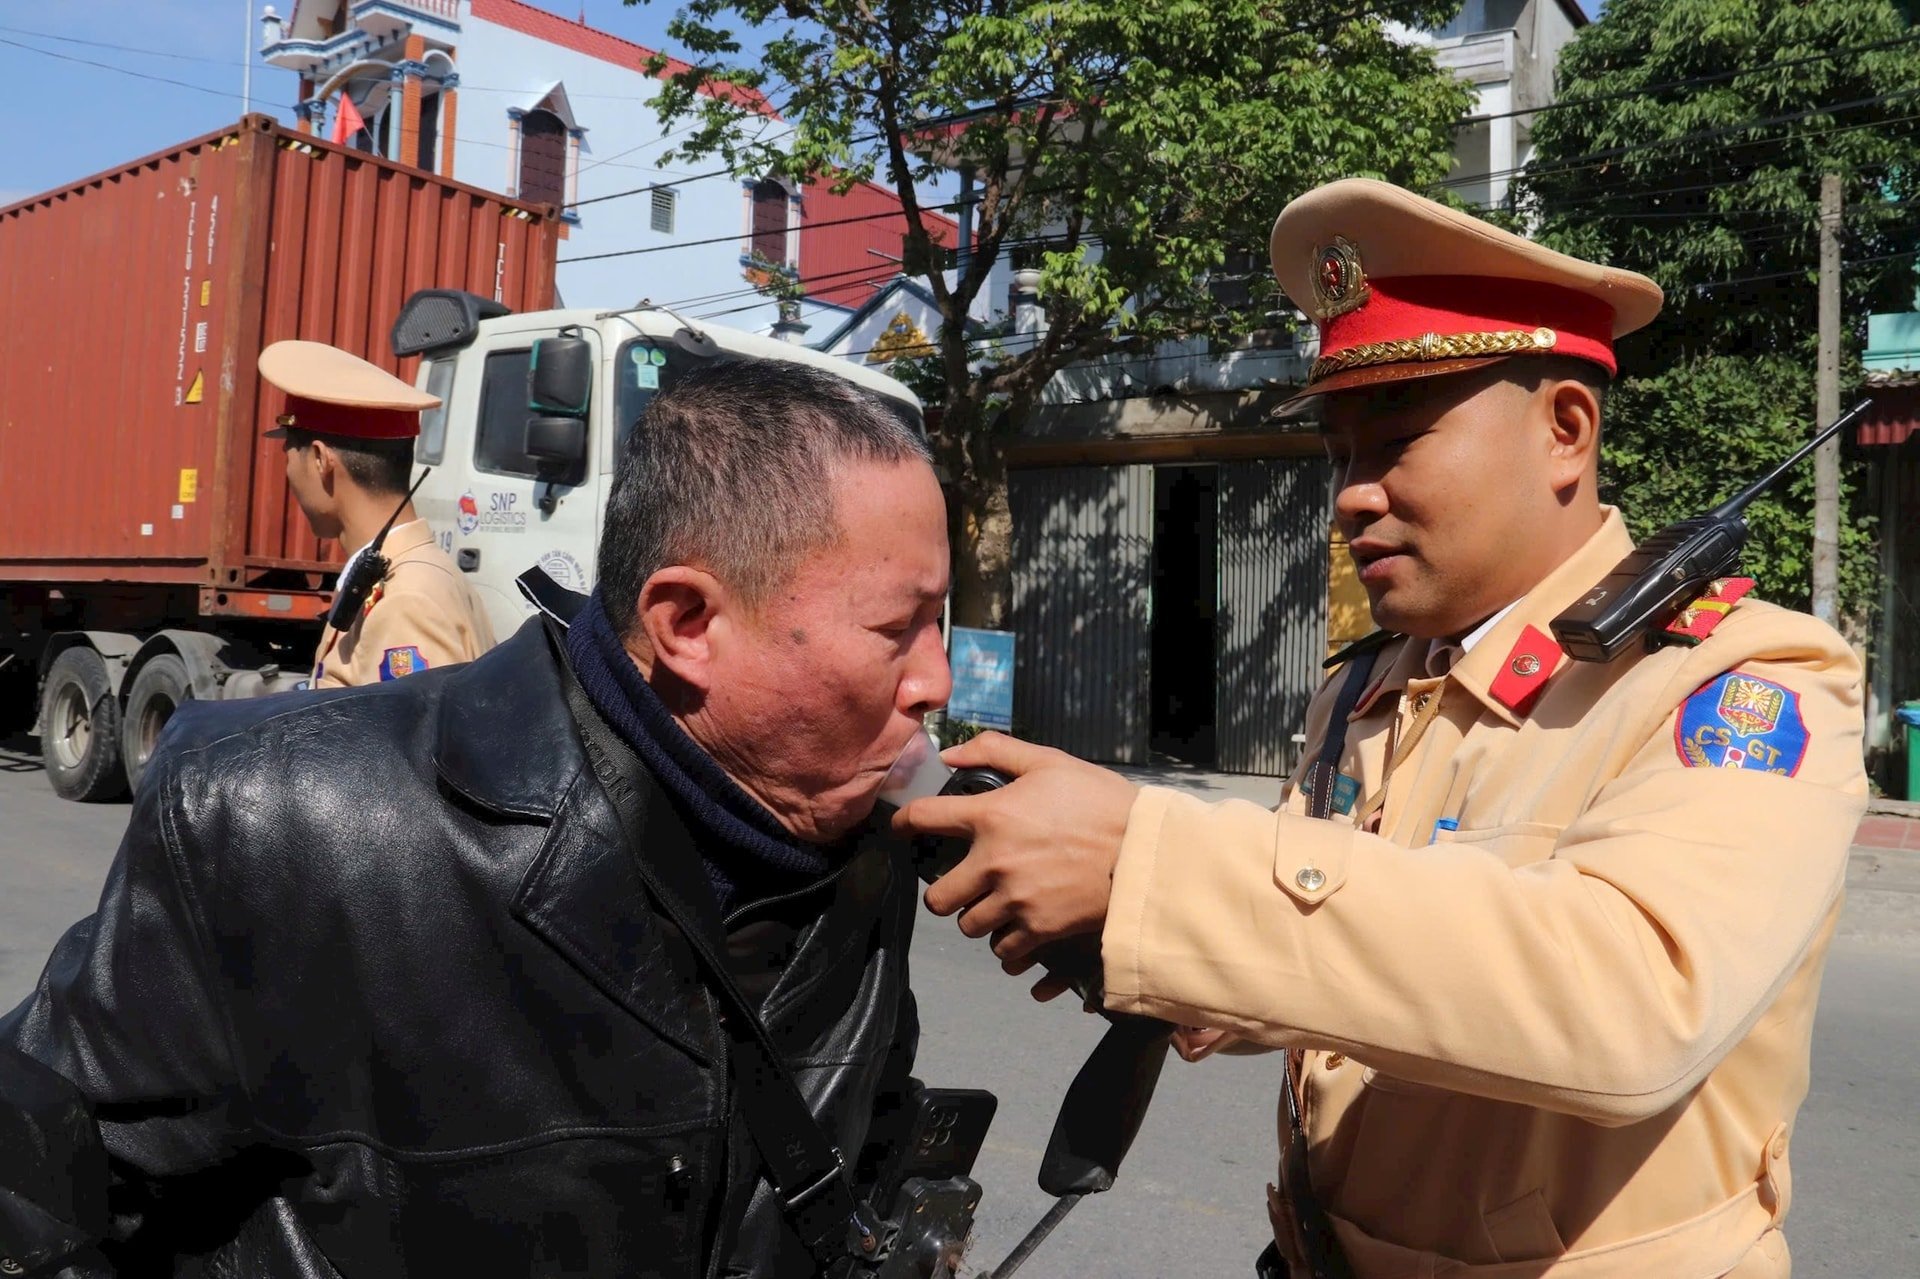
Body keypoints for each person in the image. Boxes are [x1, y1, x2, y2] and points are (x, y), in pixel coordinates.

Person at [894, 179, 1867, 1277]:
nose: (1353, 495)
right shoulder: (1371, 687)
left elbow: (1636, 1004)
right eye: (1337, 456)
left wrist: (1150, 862)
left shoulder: (1740, 676)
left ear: (1565, 429)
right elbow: (1375, 955)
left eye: (1398, 440)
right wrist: (1197, 968)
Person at [0, 360, 953, 1276]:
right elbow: (35, 1180)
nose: (936, 682)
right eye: (894, 628)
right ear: (688, 623)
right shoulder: (269, 815)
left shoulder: (866, 847)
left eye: (939, 620)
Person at [259, 339, 496, 687]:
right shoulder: (405, 576)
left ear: (321, 460)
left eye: (289, 454)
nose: (288, 473)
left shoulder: (407, 600)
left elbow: (417, 741)